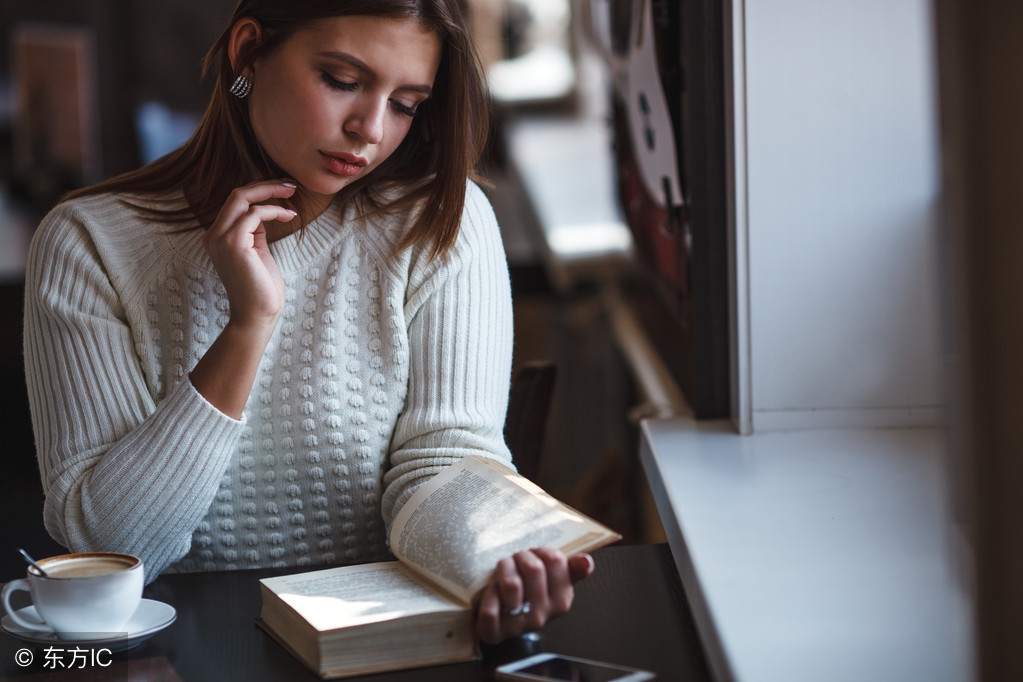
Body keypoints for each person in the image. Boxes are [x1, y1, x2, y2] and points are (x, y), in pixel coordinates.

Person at [22, 0, 593, 645]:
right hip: (174, 654)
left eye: (406, 103)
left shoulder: (442, 225)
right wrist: (248, 325)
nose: (370, 129)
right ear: (246, 53)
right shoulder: (88, 245)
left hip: (379, 649)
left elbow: (444, 462)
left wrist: (496, 559)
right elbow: (115, 547)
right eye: (343, 81)